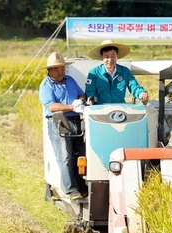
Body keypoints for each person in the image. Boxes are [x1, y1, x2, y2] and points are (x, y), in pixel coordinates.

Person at [39, 52, 86, 200]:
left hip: (77, 120)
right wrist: (72, 107)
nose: (61, 71)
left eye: (62, 68)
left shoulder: (70, 80)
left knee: (81, 153)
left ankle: (83, 187)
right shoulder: (45, 85)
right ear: (49, 70)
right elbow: (51, 107)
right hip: (59, 121)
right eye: (57, 68)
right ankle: (71, 190)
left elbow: (81, 94)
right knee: (65, 157)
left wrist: (80, 100)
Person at [85, 39, 149, 104]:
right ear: (102, 57)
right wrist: (92, 98)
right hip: (100, 109)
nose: (110, 60)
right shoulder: (94, 73)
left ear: (117, 56)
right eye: (106, 56)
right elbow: (90, 91)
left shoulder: (125, 71)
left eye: (113, 56)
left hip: (120, 108)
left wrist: (141, 93)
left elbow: (134, 87)